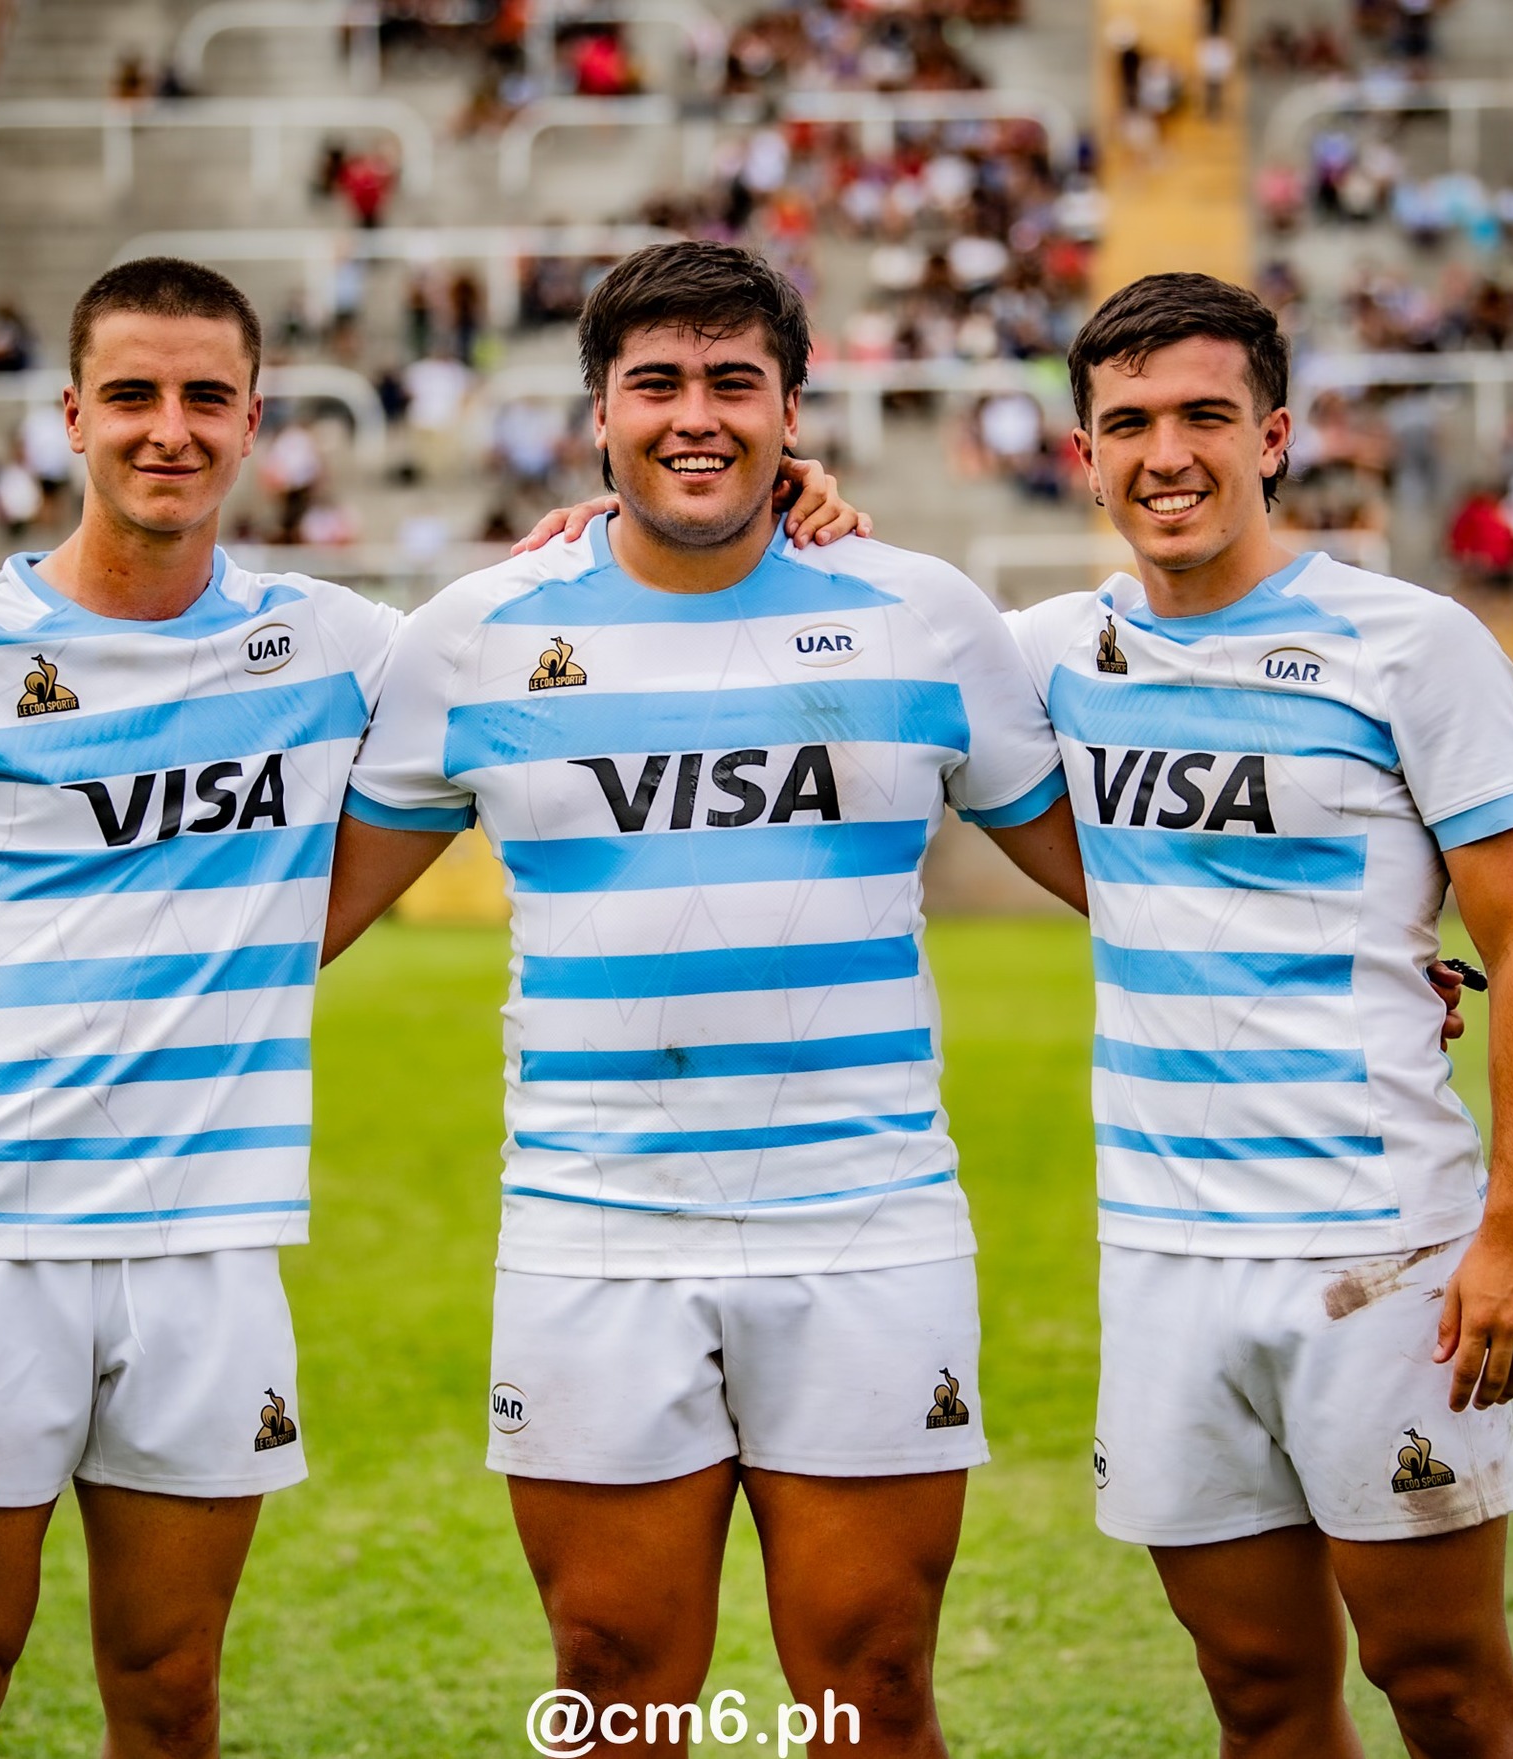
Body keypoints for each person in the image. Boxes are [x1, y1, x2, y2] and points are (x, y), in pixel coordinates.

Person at [0, 252, 864, 1758]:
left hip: (217, 1248)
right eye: (131, 394)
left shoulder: (345, 648)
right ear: (69, 416)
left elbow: (552, 611)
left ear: (255, 419)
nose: (168, 428)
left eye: (206, 397)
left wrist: (766, 493)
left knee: (173, 1692)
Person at [326, 239, 1084, 1758]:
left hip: (867, 1222)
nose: (696, 416)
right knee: (612, 1692)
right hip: (591, 1228)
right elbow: (299, 919)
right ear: (593, 415)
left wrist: (1390, 953)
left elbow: (1117, 876)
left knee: (872, 1699)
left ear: (793, 407)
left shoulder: (924, 614)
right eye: (654, 383)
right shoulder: (472, 636)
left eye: (735, 381)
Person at [1008, 272, 1513, 1757]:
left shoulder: (1413, 642)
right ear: (1084, 456)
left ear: (1274, 435)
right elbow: (843, 624)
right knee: (1257, 1696)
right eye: (1127, 422)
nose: (1167, 454)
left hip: (1381, 1250)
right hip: (1161, 1254)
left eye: (1205, 415)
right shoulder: (1051, 652)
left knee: (1447, 1689)